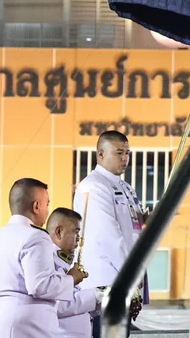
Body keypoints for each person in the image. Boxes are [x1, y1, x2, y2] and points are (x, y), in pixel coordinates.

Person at [0, 178, 84, 337]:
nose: (47, 210)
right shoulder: (36, 237)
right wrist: (72, 278)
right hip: (22, 329)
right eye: (47, 204)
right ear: (36, 206)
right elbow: (40, 285)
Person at [74, 130, 149, 336]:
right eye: (119, 153)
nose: (125, 158)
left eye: (127, 153)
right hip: (106, 279)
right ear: (101, 154)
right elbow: (107, 235)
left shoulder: (125, 187)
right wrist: (130, 274)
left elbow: (133, 226)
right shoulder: (94, 185)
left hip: (123, 276)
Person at [48, 207, 100, 338]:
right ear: (59, 232)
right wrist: (97, 295)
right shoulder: (47, 261)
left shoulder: (62, 262)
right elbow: (58, 305)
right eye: (75, 232)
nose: (79, 239)